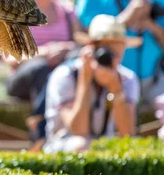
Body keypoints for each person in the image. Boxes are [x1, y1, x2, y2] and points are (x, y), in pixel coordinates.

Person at [43, 14, 141, 153]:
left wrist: (115, 87)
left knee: (131, 149)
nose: (112, 55)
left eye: (118, 45)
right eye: (107, 46)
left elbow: (127, 133)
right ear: (91, 47)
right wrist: (85, 79)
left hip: (103, 146)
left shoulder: (127, 78)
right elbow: (78, 130)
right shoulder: (66, 75)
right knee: (81, 144)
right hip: (63, 144)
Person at [4, 0, 80, 105]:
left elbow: (80, 45)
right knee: (41, 68)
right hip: (26, 79)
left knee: (76, 63)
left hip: (60, 75)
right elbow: (11, 58)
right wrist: (45, 53)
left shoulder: (67, 11)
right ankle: (43, 127)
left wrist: (66, 48)